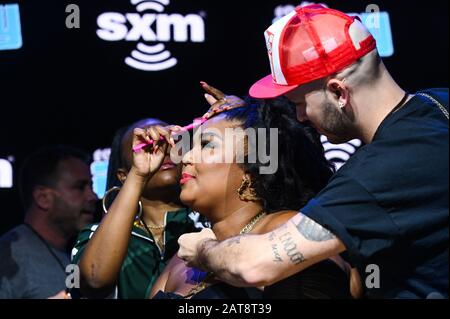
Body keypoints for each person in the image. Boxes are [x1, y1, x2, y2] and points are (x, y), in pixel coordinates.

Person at [177, 5, 449, 299]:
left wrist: (204, 249)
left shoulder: (379, 172)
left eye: (299, 103)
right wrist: (244, 119)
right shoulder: (436, 104)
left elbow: (255, 266)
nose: (301, 116)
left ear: (338, 92)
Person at [147, 97, 357, 299]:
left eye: (207, 144)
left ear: (252, 168)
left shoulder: (287, 229)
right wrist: (137, 177)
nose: (186, 157)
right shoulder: (182, 259)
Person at [72, 119, 204, 299]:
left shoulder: (209, 221)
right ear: (124, 175)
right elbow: (94, 281)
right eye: (149, 146)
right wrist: (139, 174)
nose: (163, 151)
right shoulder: (94, 235)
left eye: (170, 142)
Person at [0, 145, 97, 299]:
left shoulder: (77, 252)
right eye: (80, 187)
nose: (92, 196)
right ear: (43, 198)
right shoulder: (6, 256)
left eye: (91, 186)